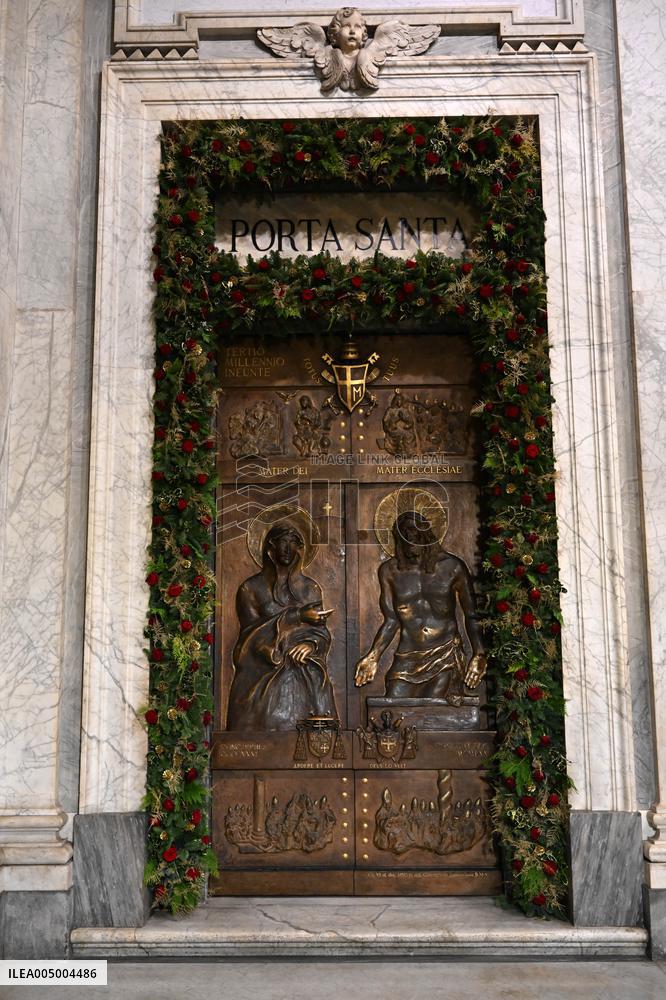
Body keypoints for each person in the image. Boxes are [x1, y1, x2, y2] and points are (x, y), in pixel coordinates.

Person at [355, 511, 486, 701]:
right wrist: (373, 656)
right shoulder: (390, 571)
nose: (411, 541)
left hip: (444, 653)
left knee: (432, 706)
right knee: (393, 704)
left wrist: (479, 654)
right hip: (407, 656)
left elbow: (471, 614)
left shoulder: (452, 567)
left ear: (426, 536)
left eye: (415, 535)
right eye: (405, 536)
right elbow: (391, 620)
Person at [227, 523, 337, 731]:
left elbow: (321, 632)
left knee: (317, 686)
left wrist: (311, 645)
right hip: (264, 671)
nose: (288, 548)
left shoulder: (310, 588)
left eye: (294, 543)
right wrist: (298, 615)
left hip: (305, 668)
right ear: (271, 546)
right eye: (283, 542)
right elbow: (250, 638)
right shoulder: (251, 589)